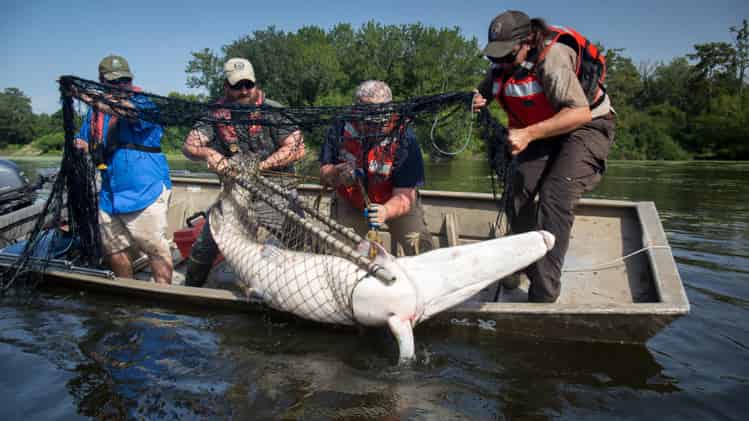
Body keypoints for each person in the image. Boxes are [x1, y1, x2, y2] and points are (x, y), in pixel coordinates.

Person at [473, 11, 616, 302]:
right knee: (518, 189)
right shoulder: (502, 64)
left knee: (555, 196)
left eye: (505, 56)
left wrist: (527, 134)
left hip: (586, 125)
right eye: (493, 57)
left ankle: (544, 293)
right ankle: (524, 264)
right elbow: (484, 90)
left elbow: (579, 112)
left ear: (527, 41)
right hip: (544, 130)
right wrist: (476, 98)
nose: (498, 63)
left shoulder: (553, 58)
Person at [182, 57, 305, 287]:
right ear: (226, 87)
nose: (244, 91)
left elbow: (297, 149)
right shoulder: (215, 113)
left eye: (249, 84)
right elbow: (189, 146)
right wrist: (210, 154)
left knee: (299, 244)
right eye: (237, 86)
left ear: (256, 84)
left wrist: (261, 167)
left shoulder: (273, 111)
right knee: (203, 248)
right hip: (234, 195)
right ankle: (191, 293)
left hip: (276, 192)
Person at [74, 55, 173, 284]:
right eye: (114, 82)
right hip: (110, 195)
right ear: (101, 81)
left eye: (124, 80)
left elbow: (126, 112)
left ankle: (164, 303)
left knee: (155, 249)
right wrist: (81, 145)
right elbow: (84, 140)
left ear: (131, 79)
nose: (121, 86)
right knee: (112, 250)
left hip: (145, 191)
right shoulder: (95, 113)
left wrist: (87, 97)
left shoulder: (144, 102)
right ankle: (128, 294)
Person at [319, 80, 434, 256]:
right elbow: (324, 173)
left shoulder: (405, 137)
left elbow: (405, 194)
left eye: (379, 120)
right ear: (357, 110)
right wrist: (336, 172)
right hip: (351, 201)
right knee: (339, 254)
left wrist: (386, 210)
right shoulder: (339, 127)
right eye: (367, 119)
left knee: (421, 248)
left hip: (395, 201)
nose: (373, 125)